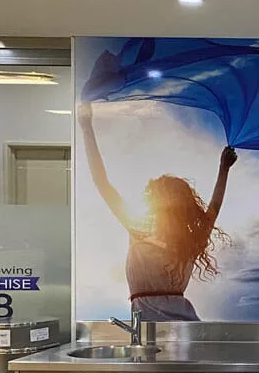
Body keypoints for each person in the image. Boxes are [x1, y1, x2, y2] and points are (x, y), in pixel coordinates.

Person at [77, 102, 237, 321]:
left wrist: (86, 127)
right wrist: (223, 169)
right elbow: (214, 208)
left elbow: (101, 182)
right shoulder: (188, 241)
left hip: (154, 331)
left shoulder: (139, 229)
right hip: (187, 327)